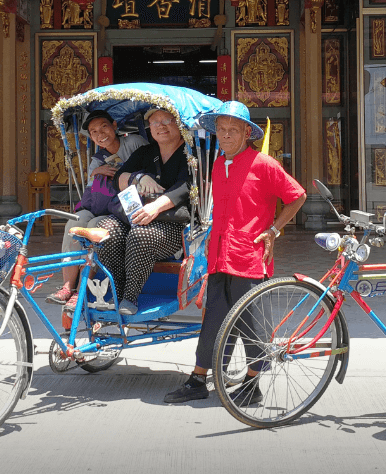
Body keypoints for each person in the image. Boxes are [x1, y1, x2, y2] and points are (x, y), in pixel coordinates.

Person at [164, 101, 306, 406]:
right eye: (222, 130)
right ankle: (199, 378)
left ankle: (253, 383)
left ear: (246, 133)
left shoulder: (264, 164)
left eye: (233, 130)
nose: (226, 135)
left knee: (252, 323)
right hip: (219, 255)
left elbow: (297, 196)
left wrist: (274, 229)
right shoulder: (217, 163)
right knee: (214, 319)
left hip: (249, 257)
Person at [92, 106, 192, 316]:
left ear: (179, 124)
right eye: (155, 122)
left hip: (171, 223)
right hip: (136, 215)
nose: (160, 126)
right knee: (105, 229)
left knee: (140, 235)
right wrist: (136, 178)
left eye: (167, 121)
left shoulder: (189, 153)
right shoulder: (147, 151)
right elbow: (118, 176)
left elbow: (185, 186)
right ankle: (116, 293)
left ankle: (130, 297)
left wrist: (155, 207)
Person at [47, 110, 146, 307]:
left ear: (114, 126)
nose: (100, 134)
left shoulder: (133, 143)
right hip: (99, 205)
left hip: (122, 208)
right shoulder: (96, 160)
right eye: (93, 132)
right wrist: (97, 173)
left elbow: (149, 166)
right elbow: (92, 194)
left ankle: (82, 288)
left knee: (94, 225)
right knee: (74, 223)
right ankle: (68, 286)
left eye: (104, 127)